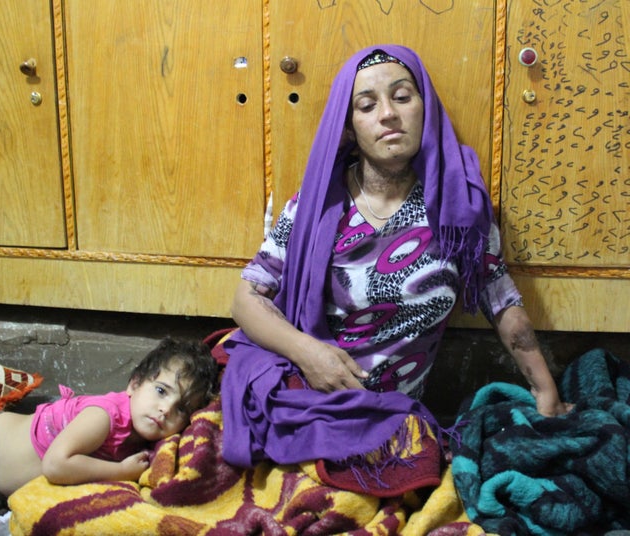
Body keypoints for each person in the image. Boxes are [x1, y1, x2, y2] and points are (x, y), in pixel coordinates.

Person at [220, 44, 572, 489]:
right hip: (306, 390)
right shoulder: (316, 205)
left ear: (425, 107)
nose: (388, 114)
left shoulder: (458, 206)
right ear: (349, 126)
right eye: (367, 105)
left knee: (407, 471)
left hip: (390, 416)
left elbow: (502, 302)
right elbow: (246, 297)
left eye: (403, 97)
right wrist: (309, 354)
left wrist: (546, 394)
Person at [0, 336, 218, 512]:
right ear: (135, 383)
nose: (165, 409)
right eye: (161, 391)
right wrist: (120, 472)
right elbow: (56, 465)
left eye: (181, 408)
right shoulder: (105, 416)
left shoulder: (146, 438)